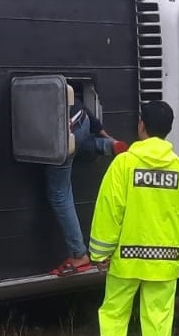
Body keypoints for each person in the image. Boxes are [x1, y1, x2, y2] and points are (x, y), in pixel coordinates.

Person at [87, 100, 179, 336]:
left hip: (125, 260)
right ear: (169, 130)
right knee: (158, 320)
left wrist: (99, 253)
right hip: (164, 262)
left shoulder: (123, 165)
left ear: (141, 126)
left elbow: (109, 211)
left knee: (114, 314)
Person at [44, 90, 127, 276]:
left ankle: (78, 254)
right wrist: (109, 139)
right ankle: (104, 146)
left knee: (59, 192)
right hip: (83, 121)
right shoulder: (65, 90)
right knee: (77, 148)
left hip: (65, 133)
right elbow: (86, 112)